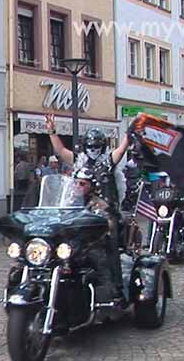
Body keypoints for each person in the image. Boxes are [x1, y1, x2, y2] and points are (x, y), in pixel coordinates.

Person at [45, 114, 131, 304]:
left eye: (97, 146)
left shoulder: (108, 160)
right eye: (90, 146)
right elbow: (60, 150)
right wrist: (51, 130)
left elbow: (122, 149)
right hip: (79, 209)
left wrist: (129, 134)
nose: (93, 149)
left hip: (105, 211)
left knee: (110, 239)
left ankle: (116, 286)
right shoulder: (79, 160)